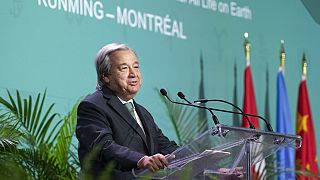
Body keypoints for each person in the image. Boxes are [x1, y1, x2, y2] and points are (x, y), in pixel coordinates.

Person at [76, 43, 179, 179]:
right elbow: (103, 147)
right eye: (124, 68)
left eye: (136, 67)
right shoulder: (92, 106)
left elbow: (165, 146)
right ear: (106, 76)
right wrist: (141, 160)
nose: (133, 74)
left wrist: (206, 162)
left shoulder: (143, 113)